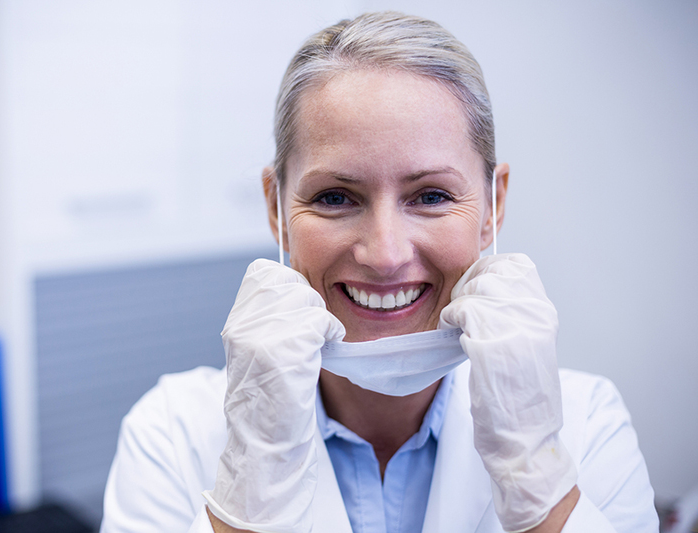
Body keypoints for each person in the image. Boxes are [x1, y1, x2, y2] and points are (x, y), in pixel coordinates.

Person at [100, 12, 658, 533]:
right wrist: (248, 499)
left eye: (432, 196)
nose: (385, 254)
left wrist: (541, 482)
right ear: (276, 209)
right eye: (336, 197)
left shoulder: (590, 424)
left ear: (493, 207)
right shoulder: (169, 433)